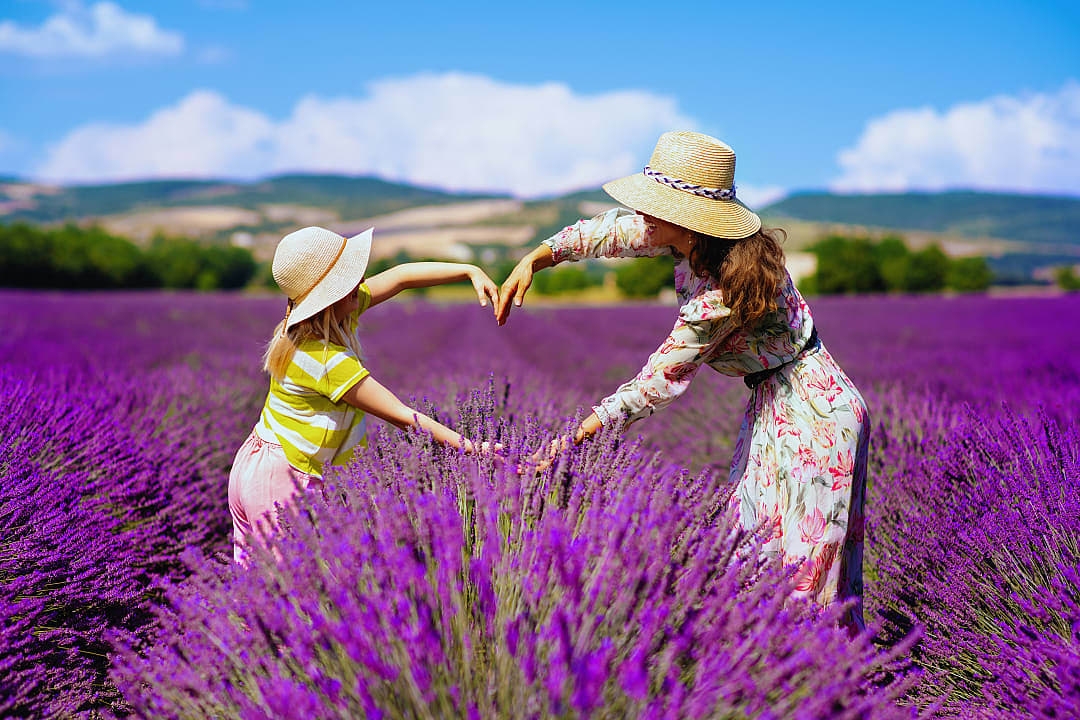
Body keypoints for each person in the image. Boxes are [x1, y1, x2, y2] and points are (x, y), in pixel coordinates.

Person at [497, 131, 868, 632]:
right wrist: (539, 256)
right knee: (752, 552)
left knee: (800, 577)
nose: (643, 214)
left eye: (657, 206)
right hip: (778, 403)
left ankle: (822, 689)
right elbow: (613, 231)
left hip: (814, 417)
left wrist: (573, 441)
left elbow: (656, 383)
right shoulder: (694, 241)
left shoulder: (724, 292)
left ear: (691, 224)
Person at [229, 225, 500, 564]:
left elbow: (401, 276)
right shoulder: (323, 360)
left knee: (262, 586)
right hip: (281, 480)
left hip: (261, 463)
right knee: (287, 592)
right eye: (347, 280)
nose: (359, 284)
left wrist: (468, 270)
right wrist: (474, 449)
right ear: (330, 297)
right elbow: (402, 415)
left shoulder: (325, 318)